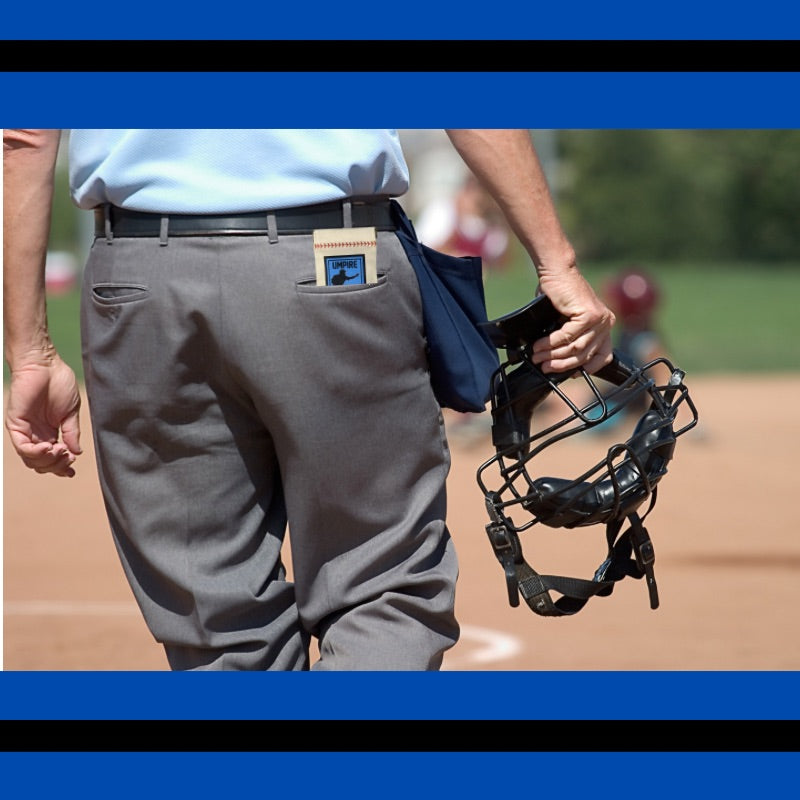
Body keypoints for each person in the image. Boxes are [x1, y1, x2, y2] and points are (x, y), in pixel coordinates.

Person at [3, 129, 615, 671]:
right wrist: (557, 265)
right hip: (333, 261)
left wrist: (29, 352)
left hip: (137, 282)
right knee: (383, 589)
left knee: (214, 620)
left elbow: (24, 137)